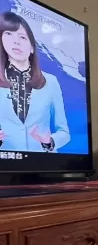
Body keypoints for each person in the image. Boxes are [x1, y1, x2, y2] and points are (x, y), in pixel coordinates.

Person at [0, 11, 69, 152]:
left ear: (32, 47)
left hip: (44, 163)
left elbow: (64, 132)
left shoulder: (51, 81)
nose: (16, 41)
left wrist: (49, 141)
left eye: (22, 37)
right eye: (9, 34)